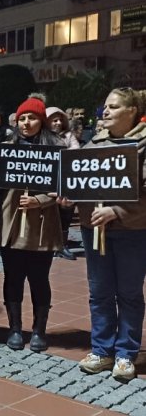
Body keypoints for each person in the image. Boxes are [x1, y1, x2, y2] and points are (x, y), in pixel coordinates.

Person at [72, 88, 146, 382]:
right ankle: (101, 350)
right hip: (94, 230)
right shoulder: (94, 143)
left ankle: (126, 353)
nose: (106, 111)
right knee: (100, 292)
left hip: (133, 231)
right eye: (105, 106)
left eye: (114, 107)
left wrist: (116, 210)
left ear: (132, 111)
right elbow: (81, 182)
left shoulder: (143, 144)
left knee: (129, 293)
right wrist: (68, 195)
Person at [0, 95, 65, 353]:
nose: (26, 123)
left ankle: (39, 330)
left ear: (41, 121)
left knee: (39, 278)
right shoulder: (7, 147)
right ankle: (15, 328)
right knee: (13, 277)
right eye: (22, 118)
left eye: (32, 117)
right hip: (12, 222)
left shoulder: (57, 148)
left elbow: (64, 185)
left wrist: (41, 200)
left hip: (41, 225)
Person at [47, 107, 80, 261]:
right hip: (46, 182)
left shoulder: (68, 136)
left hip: (65, 179)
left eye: (60, 120)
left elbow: (76, 152)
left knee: (65, 212)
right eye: (54, 120)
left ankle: (62, 245)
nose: (58, 123)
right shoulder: (42, 135)